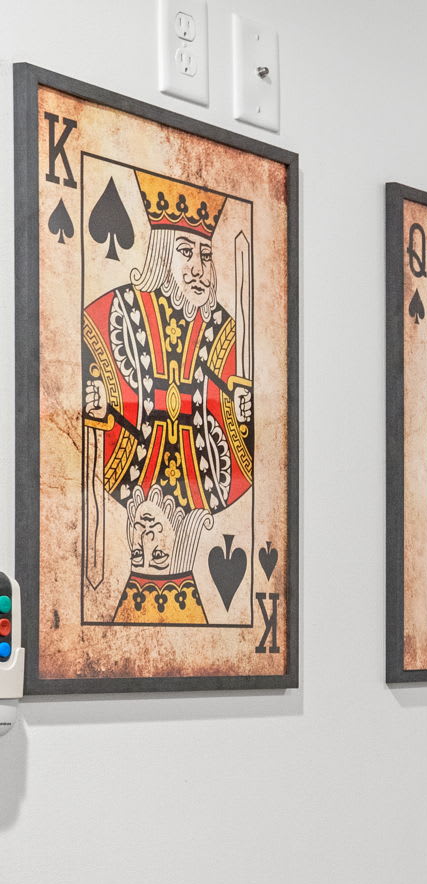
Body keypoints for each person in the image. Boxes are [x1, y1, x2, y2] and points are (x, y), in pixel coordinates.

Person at [80, 171, 254, 624]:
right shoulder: (120, 309)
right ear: (161, 255)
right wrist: (97, 406)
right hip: (139, 470)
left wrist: (241, 411)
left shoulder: (223, 328)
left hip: (195, 489)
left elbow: (236, 434)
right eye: (186, 253)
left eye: (205, 255)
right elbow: (91, 376)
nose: (198, 268)